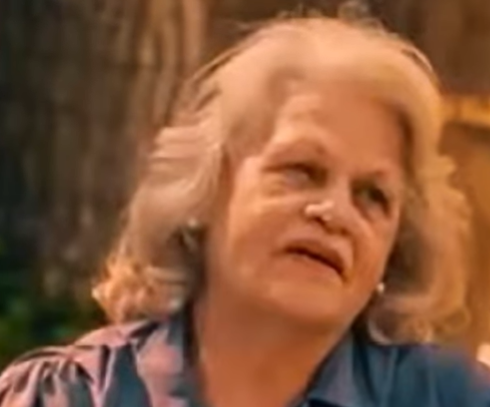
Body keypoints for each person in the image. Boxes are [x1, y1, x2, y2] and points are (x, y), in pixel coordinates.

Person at [0, 16, 488, 407]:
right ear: (206, 190)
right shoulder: (67, 396)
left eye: (372, 196)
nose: (335, 213)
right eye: (301, 170)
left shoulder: (449, 399)